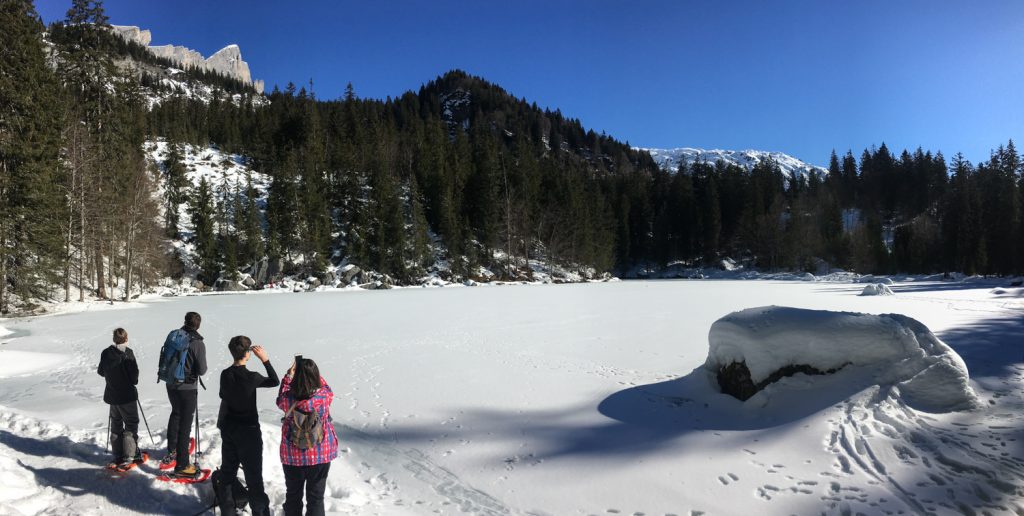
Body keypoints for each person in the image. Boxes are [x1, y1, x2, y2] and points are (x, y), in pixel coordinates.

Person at [217, 336, 279, 516]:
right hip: (249, 433)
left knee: (228, 473)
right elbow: (274, 381)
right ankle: (260, 512)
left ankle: (227, 512)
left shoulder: (224, 374)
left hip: (229, 429)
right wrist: (265, 359)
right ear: (247, 353)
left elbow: (223, 394)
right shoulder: (252, 377)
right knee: (253, 478)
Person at [276, 357, 338, 516]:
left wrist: (288, 377)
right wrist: (314, 375)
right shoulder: (324, 397)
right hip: (320, 455)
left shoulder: (287, 399)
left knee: (293, 496)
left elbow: (280, 396)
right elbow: (327, 387)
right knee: (316, 498)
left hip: (292, 456)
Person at [162, 311, 208, 477]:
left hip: (170, 382)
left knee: (176, 413)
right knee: (185, 425)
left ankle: (173, 449)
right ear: (198, 325)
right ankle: (182, 465)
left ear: (185, 322)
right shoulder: (197, 343)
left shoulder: (174, 336)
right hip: (187, 387)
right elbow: (202, 370)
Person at [97, 328, 143, 471]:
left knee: (116, 425)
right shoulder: (127, 353)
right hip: (127, 396)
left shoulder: (106, 352)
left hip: (112, 395)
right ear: (126, 338)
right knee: (130, 424)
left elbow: (100, 371)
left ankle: (118, 454)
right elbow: (134, 378)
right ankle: (129, 456)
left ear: (114, 338)